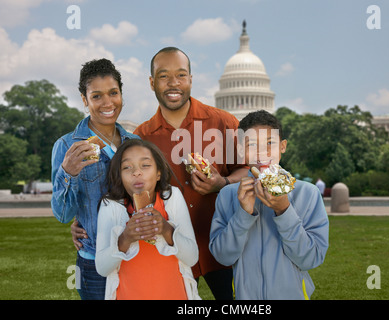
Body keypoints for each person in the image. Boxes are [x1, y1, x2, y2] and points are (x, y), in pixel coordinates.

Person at [133, 47, 248, 299]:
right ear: (151, 83)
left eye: (181, 75)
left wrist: (222, 182)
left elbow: (251, 170)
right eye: (163, 76)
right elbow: (129, 190)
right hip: (173, 248)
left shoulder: (224, 123)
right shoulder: (140, 138)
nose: (173, 83)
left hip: (224, 244)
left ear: (191, 80)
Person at [209, 110, 329, 300]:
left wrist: (284, 210)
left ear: (282, 146)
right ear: (240, 150)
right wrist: (242, 214)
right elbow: (223, 257)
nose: (261, 152)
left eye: (270, 143)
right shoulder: (227, 195)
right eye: (251, 144)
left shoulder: (308, 193)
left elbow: (311, 258)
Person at [51, 58, 140, 300]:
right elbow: (62, 214)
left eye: (113, 93)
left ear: (121, 94)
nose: (107, 103)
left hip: (138, 256)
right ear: (84, 99)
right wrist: (68, 173)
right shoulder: (67, 146)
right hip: (93, 263)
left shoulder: (136, 144)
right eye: (97, 96)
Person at [95, 139, 200, 300]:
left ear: (158, 173)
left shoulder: (172, 197)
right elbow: (102, 268)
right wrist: (125, 238)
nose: (136, 172)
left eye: (145, 165)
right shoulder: (111, 206)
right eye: (127, 167)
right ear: (120, 176)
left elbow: (192, 257)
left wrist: (166, 229)